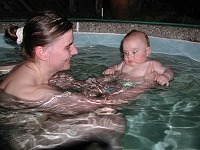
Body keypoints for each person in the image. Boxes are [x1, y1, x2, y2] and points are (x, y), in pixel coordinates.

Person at [0, 11, 157, 149]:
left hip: (27, 120)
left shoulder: (24, 67)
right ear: (42, 52)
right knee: (111, 121)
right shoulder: (40, 94)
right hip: (27, 143)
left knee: (63, 79)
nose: (75, 51)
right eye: (68, 46)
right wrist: (146, 83)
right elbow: (110, 102)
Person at [103, 29, 174, 86]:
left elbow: (168, 70)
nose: (129, 56)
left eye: (134, 52)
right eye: (126, 53)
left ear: (147, 51)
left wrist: (166, 76)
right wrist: (112, 69)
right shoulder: (124, 64)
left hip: (134, 88)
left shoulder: (152, 64)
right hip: (117, 84)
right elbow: (116, 67)